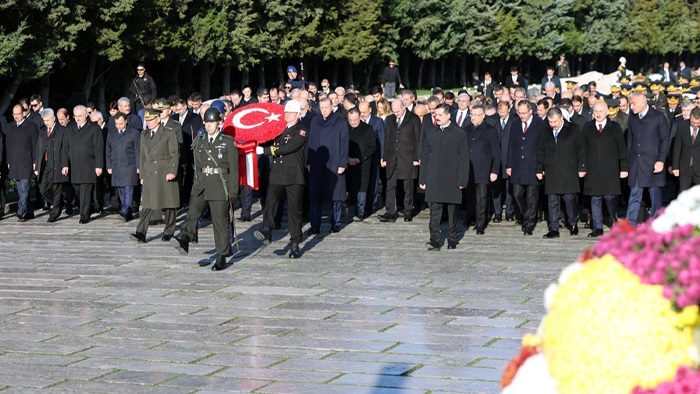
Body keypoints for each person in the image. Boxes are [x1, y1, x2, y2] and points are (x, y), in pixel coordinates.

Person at [171, 108, 238, 271]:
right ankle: (185, 237)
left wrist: (233, 190)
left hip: (219, 184)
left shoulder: (227, 142)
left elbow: (234, 169)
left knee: (219, 222)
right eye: (206, 123)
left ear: (219, 123)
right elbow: (198, 165)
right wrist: (195, 183)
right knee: (192, 212)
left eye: (211, 123)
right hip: (201, 184)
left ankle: (222, 255)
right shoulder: (200, 141)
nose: (208, 126)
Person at [253, 101, 308, 258]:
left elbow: (289, 147)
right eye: (286, 112)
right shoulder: (279, 128)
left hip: (293, 175)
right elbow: (268, 139)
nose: (287, 115)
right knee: (270, 200)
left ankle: (295, 243)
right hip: (277, 173)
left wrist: (265, 151)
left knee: (294, 211)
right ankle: (267, 228)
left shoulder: (302, 130)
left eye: (291, 113)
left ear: (298, 114)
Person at [419, 103, 470, 250]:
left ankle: (452, 239)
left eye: (440, 115)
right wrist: (423, 178)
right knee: (434, 213)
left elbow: (464, 159)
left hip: (452, 178)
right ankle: (434, 241)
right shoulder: (431, 132)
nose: (437, 117)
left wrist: (462, 180)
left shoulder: (459, 134)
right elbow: (425, 156)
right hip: (434, 178)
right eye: (436, 115)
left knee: (453, 212)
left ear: (449, 115)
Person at [130, 108, 180, 242]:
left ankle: (169, 231)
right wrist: (142, 174)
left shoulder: (168, 133)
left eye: (151, 120)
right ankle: (141, 233)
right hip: (150, 171)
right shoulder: (144, 134)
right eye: (147, 120)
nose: (149, 122)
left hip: (164, 170)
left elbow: (174, 153)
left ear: (158, 119)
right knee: (147, 203)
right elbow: (142, 156)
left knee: (169, 203)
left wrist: (172, 171)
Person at [536, 107, 586, 238]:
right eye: (550, 122)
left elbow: (580, 150)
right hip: (552, 171)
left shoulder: (573, 129)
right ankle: (553, 228)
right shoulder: (545, 130)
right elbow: (541, 150)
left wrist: (582, 167)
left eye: (555, 122)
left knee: (569, 199)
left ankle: (573, 223)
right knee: (552, 201)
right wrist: (539, 168)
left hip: (569, 170)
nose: (553, 124)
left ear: (561, 118)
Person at [582, 101, 629, 237]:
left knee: (610, 197)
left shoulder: (614, 127)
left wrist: (624, 167)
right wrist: (582, 167)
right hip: (593, 170)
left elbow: (622, 149)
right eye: (595, 111)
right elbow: (583, 150)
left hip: (610, 169)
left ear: (607, 112)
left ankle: (612, 218)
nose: (598, 114)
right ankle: (597, 227)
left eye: (601, 111)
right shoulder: (587, 128)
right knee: (595, 198)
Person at [626, 92, 670, 226]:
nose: (631, 107)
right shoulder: (632, 118)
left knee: (655, 196)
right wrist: (629, 160)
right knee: (635, 194)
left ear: (643, 103)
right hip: (636, 163)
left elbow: (665, 140)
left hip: (653, 164)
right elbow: (630, 140)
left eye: (633, 104)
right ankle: (630, 224)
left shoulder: (658, 117)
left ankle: (656, 224)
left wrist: (661, 160)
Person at [306, 98, 349, 234]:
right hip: (317, 163)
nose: (324, 110)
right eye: (321, 107)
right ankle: (315, 225)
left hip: (335, 162)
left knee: (336, 195)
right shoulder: (315, 121)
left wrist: (343, 163)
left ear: (332, 106)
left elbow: (344, 144)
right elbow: (310, 142)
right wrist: (309, 161)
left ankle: (335, 223)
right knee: (316, 195)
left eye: (326, 107)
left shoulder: (340, 122)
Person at [378, 98, 421, 222]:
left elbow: (418, 140)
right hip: (392, 157)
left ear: (404, 107)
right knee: (390, 185)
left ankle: (408, 211)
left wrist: (417, 157)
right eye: (394, 111)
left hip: (408, 158)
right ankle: (390, 211)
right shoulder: (389, 119)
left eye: (398, 111)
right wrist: (384, 157)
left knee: (408, 186)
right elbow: (387, 139)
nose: (396, 113)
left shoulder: (413, 119)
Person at [507, 100, 545, 235]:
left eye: (524, 113)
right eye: (519, 113)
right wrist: (509, 164)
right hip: (517, 166)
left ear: (530, 111)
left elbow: (543, 147)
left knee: (532, 197)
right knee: (517, 194)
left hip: (533, 166)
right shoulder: (515, 123)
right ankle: (526, 215)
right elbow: (511, 144)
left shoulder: (540, 124)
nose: (521, 115)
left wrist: (542, 166)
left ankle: (529, 224)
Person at [65, 105, 104, 224]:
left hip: (89, 165)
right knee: (77, 189)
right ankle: (89, 207)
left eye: (80, 116)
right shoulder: (70, 128)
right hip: (74, 165)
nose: (77, 118)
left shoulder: (94, 128)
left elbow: (98, 147)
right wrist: (65, 164)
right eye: (75, 116)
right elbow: (66, 147)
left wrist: (99, 165)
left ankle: (84, 216)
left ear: (86, 115)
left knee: (85, 190)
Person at [465, 104, 500, 234]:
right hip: (468, 169)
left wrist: (494, 170)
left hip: (483, 169)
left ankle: (481, 223)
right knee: (469, 196)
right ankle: (471, 217)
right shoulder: (467, 129)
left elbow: (496, 153)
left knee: (481, 198)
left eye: (476, 115)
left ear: (483, 115)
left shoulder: (490, 130)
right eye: (471, 114)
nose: (473, 117)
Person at [34, 109, 68, 223]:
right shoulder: (42, 131)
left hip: (58, 163)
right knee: (43, 188)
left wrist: (64, 165)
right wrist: (37, 165)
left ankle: (55, 212)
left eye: (48, 120)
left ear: (54, 118)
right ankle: (58, 203)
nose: (46, 122)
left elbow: (65, 149)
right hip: (45, 164)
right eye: (44, 120)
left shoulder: (62, 130)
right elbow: (38, 149)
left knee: (57, 187)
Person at [7, 104, 39, 221]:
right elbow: (8, 145)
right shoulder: (10, 127)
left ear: (23, 113)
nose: (15, 116)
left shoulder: (31, 126)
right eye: (14, 114)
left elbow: (36, 146)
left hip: (27, 162)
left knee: (24, 188)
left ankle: (21, 212)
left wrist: (35, 161)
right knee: (20, 189)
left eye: (18, 114)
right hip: (15, 162)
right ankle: (29, 211)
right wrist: (9, 160)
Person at [106, 112, 141, 222]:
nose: (118, 126)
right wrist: (109, 165)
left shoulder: (134, 133)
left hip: (130, 165)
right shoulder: (111, 133)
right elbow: (108, 150)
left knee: (128, 188)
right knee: (120, 188)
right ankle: (128, 213)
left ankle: (124, 210)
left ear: (126, 121)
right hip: (116, 165)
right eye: (117, 123)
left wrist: (138, 165)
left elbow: (138, 150)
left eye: (121, 123)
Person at [346, 107, 376, 221]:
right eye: (350, 120)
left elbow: (372, 147)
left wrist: (360, 158)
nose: (353, 122)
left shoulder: (368, 129)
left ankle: (361, 212)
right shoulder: (346, 128)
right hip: (349, 163)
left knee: (362, 187)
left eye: (355, 120)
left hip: (363, 163)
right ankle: (353, 209)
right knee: (352, 187)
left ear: (360, 117)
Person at [672, 107, 700, 192]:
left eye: (698, 123)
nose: (695, 125)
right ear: (690, 118)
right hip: (685, 168)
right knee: (683, 195)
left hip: (699, 168)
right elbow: (677, 146)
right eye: (693, 122)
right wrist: (675, 166)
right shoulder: (682, 126)